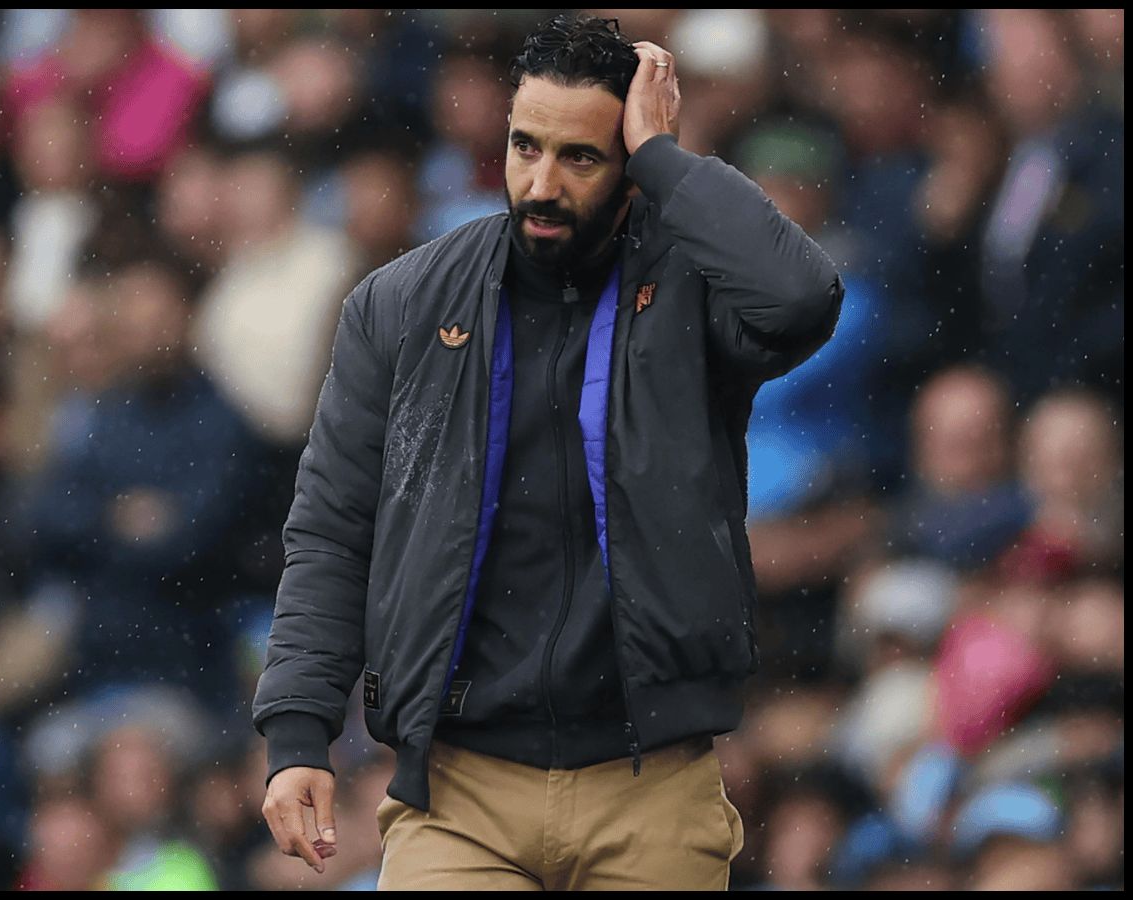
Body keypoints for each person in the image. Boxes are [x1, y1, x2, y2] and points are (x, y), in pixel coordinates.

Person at [251, 14, 844, 891]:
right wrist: (297, 732)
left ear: (632, 169)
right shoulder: (399, 306)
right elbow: (335, 531)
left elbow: (798, 299)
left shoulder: (690, 291)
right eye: (524, 147)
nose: (538, 183)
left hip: (652, 786)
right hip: (456, 795)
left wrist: (667, 160)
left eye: (581, 157)